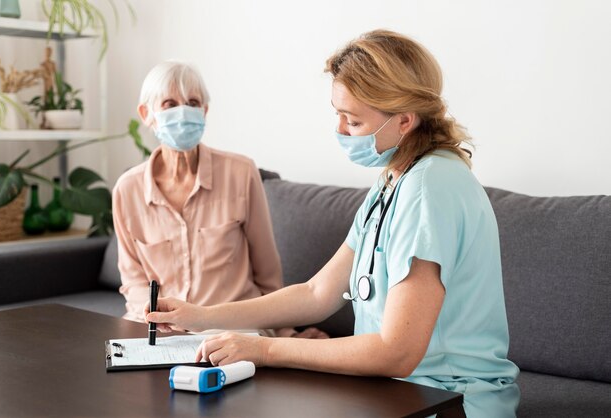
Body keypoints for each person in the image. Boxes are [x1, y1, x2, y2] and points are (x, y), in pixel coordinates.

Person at [145, 32, 520, 416]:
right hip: (396, 394)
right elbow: (315, 293)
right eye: (337, 113)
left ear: (404, 120)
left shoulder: (430, 189)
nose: (339, 129)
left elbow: (397, 351)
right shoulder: (393, 181)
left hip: (449, 401)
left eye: (353, 120)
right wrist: (202, 316)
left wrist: (266, 349)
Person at [113, 61, 326, 339]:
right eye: (169, 104)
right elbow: (133, 282)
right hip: (162, 331)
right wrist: (157, 324)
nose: (183, 112)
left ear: (204, 111)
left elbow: (268, 274)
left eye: (192, 102)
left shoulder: (241, 172)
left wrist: (286, 333)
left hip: (232, 329)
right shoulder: (127, 189)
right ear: (146, 114)